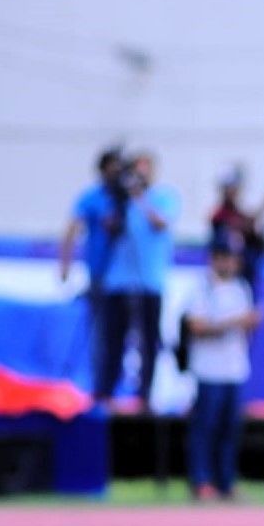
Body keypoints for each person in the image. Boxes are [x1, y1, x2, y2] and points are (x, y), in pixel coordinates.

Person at [95, 151, 180, 412]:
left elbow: (159, 223)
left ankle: (145, 395)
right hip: (119, 280)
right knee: (112, 339)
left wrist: (138, 196)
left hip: (149, 281)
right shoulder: (118, 199)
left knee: (148, 340)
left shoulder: (164, 196)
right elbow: (108, 227)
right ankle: (106, 393)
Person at [184, 235, 263, 501]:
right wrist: (234, 322)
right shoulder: (201, 288)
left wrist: (249, 323)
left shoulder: (241, 288)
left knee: (230, 430)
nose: (231, 263)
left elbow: (244, 327)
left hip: (234, 370)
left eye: (234, 258)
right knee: (206, 428)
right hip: (209, 372)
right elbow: (196, 326)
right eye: (226, 258)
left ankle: (226, 481)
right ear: (214, 259)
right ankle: (201, 480)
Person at [57, 148, 126, 382]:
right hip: (100, 274)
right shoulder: (93, 198)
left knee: (124, 333)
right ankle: (99, 383)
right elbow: (71, 230)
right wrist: (65, 265)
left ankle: (119, 381)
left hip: (128, 278)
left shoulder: (129, 198)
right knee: (100, 332)